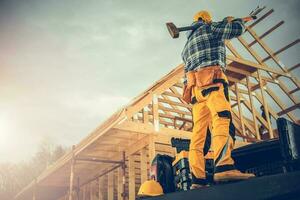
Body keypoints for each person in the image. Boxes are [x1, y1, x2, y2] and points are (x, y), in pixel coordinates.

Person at [181, 10, 255, 188]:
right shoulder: (210, 28)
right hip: (212, 84)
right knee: (222, 120)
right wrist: (235, 21)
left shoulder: (186, 46)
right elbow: (235, 30)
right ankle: (223, 167)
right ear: (207, 20)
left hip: (196, 94)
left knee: (198, 135)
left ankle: (197, 179)